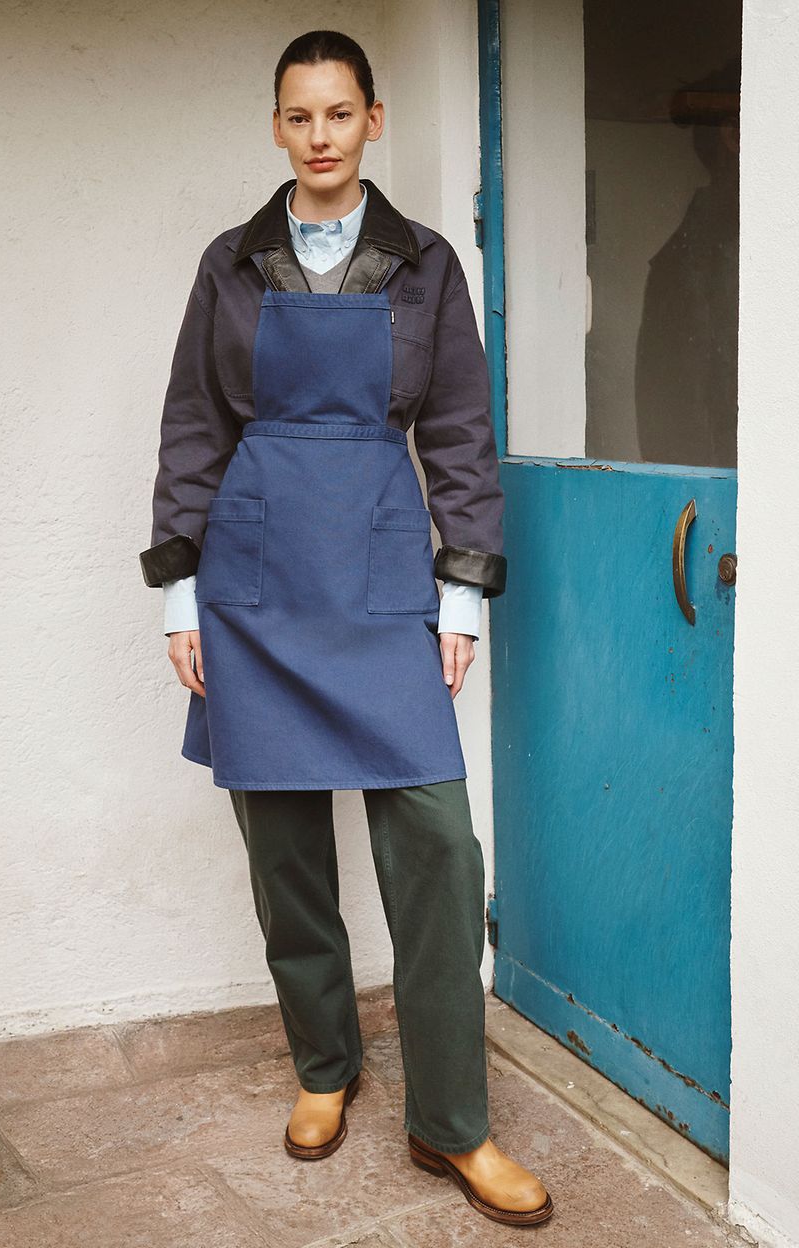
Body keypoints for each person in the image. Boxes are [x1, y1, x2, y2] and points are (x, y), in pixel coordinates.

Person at [139, 29, 553, 1229]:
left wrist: (460, 591)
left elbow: (460, 430)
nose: (319, 135)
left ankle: (452, 1124)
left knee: (439, 851)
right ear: (277, 127)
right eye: (298, 115)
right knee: (284, 856)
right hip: (253, 582)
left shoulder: (425, 265)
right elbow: (193, 428)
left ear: (373, 118)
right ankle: (325, 1066)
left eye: (338, 112)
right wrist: (180, 590)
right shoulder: (231, 263)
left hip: (379, 573)